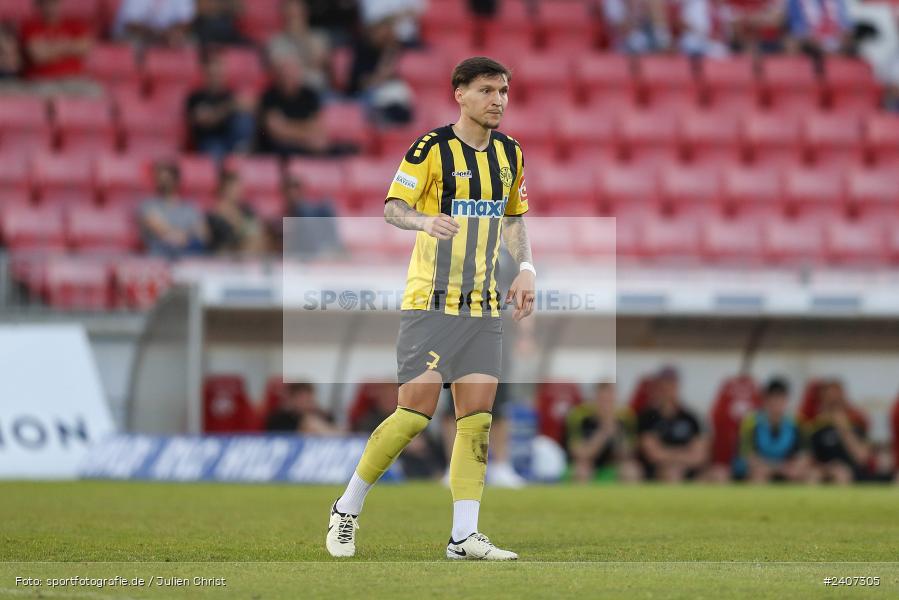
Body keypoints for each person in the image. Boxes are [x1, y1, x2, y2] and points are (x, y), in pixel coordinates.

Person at [327, 57, 535, 561]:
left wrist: (527, 268)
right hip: (431, 302)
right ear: (459, 93)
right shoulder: (431, 148)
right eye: (487, 90)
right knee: (414, 414)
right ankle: (347, 509)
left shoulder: (510, 153)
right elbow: (391, 208)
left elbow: (513, 219)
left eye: (504, 90)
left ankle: (464, 536)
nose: (498, 100)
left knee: (477, 419)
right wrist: (424, 222)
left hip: (483, 307)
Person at [636, 366, 708, 482]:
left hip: (687, 469)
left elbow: (699, 456)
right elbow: (653, 454)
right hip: (657, 471)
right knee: (671, 472)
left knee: (719, 474)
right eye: (664, 384)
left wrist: (674, 458)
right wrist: (682, 455)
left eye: (671, 384)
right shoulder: (647, 417)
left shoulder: (691, 418)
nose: (668, 388)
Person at [185, 51, 255, 161]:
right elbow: (204, 120)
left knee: (244, 120)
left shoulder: (231, 94)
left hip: (232, 140)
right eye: (212, 73)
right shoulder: (196, 97)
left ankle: (241, 154)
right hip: (210, 142)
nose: (216, 76)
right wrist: (230, 107)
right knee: (215, 152)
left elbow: (249, 107)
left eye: (219, 72)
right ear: (204, 73)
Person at [20, 0, 100, 96]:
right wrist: (69, 46)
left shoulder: (75, 25)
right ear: (38, 6)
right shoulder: (29, 26)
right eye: (46, 4)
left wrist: (50, 48)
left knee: (96, 93)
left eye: (54, 3)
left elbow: (84, 49)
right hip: (42, 80)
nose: (51, 8)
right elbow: (38, 56)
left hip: (74, 79)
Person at [566, 383, 642, 483]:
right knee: (581, 471)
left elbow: (627, 454)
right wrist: (603, 432)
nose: (606, 405)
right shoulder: (580, 416)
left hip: (613, 464)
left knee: (631, 470)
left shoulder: (625, 417)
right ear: (594, 400)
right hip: (587, 464)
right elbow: (580, 454)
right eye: (602, 400)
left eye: (610, 400)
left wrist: (616, 433)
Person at [256, 54, 328, 157]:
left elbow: (319, 127)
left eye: (292, 73)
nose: (288, 77)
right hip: (281, 150)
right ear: (278, 76)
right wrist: (306, 132)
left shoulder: (310, 95)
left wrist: (287, 126)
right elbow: (275, 131)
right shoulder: (270, 97)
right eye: (285, 74)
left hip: (303, 146)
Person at [740, 377, 808, 483]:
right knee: (758, 474)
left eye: (781, 399)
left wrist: (795, 466)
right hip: (761, 468)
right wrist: (776, 468)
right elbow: (748, 455)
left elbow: (804, 453)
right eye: (773, 398)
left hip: (787, 469)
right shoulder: (751, 421)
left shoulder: (796, 422)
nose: (777, 403)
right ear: (765, 400)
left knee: (805, 474)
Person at [348, 17, 412, 125]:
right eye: (383, 29)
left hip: (387, 96)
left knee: (400, 91)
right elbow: (363, 83)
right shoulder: (362, 50)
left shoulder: (393, 48)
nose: (386, 34)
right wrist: (386, 62)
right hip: (364, 96)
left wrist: (390, 52)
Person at [139, 160, 209, 258]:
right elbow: (161, 230)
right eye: (159, 178)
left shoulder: (190, 208)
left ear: (176, 179)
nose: (163, 181)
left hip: (189, 259)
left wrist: (184, 237)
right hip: (160, 259)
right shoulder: (148, 205)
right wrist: (187, 236)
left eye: (167, 178)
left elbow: (203, 234)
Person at [806, 380, 871, 484]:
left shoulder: (856, 423)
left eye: (836, 400)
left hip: (851, 472)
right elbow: (809, 459)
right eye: (830, 399)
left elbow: (862, 457)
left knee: (842, 474)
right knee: (813, 475)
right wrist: (828, 469)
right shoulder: (816, 427)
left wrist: (843, 428)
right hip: (824, 470)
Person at [267, 0, 330, 92]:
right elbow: (282, 70)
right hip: (291, 91)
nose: (295, 16)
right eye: (291, 13)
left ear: (306, 13)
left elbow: (318, 63)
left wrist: (301, 36)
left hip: (317, 90)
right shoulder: (275, 41)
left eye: (298, 12)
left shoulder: (319, 37)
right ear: (284, 15)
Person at [206, 170, 266, 255]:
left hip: (243, 249)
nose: (239, 191)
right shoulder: (216, 211)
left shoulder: (244, 209)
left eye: (240, 187)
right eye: (234, 187)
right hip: (225, 251)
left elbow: (256, 227)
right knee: (254, 242)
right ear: (224, 189)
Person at [265, 381, 338, 434]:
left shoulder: (323, 415)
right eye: (302, 399)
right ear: (292, 399)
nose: (307, 403)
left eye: (309, 399)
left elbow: (333, 426)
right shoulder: (281, 419)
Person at [114, 0, 195, 47]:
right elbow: (130, 23)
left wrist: (172, 33)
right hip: (139, 36)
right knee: (134, 44)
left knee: (189, 43)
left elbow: (186, 20)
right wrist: (157, 34)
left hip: (167, 36)